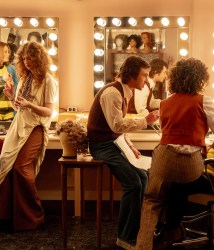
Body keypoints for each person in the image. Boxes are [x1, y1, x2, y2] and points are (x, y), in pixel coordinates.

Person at [135, 59, 214, 250]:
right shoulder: (204, 101)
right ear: (200, 78)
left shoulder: (165, 103)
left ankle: (146, 244)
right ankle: (171, 229)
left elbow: (168, 131)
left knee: (152, 200)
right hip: (189, 164)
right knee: (179, 184)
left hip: (163, 156)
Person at [87, 55, 159, 250]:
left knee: (143, 177)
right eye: (144, 75)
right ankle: (125, 238)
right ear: (132, 75)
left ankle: (134, 231)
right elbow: (116, 124)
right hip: (102, 146)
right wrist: (146, 121)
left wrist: (129, 144)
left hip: (114, 143)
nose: (147, 80)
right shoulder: (112, 93)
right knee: (134, 184)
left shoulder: (125, 92)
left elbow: (118, 129)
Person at [0, 41, 57, 232]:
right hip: (19, 126)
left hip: (36, 128)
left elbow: (48, 111)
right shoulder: (24, 78)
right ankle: (8, 217)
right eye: (24, 58)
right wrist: (12, 97)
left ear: (38, 59)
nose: (27, 62)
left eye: (30, 58)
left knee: (21, 167)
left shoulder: (48, 80)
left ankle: (33, 216)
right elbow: (19, 108)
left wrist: (30, 105)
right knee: (7, 165)